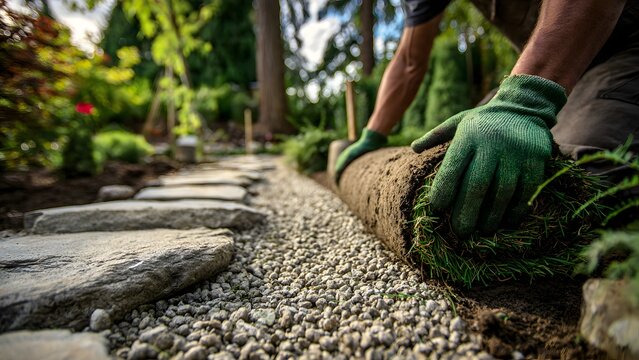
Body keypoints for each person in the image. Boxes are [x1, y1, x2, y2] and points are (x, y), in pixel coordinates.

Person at [335, 0, 639, 236]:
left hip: (625, 49)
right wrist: (372, 135)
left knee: (582, 179)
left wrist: (526, 99)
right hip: (551, 68)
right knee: (463, 153)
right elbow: (409, 61)